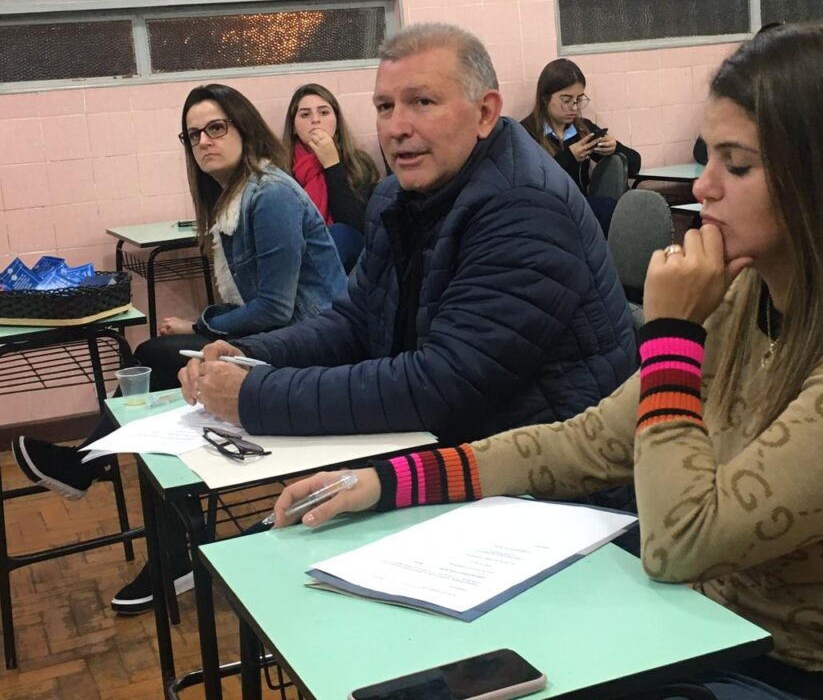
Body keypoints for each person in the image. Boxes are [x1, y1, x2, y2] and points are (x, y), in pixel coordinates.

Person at [274, 26, 823, 700]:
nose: (703, 187)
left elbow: (681, 543)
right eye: (710, 158)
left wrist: (674, 333)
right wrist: (389, 481)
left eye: (737, 165)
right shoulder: (751, 294)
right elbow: (588, 440)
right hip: (715, 634)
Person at [180, 23, 636, 448]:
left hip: (550, 473)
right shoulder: (396, 196)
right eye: (385, 107)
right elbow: (356, 321)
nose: (397, 127)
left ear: (485, 112)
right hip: (462, 447)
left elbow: (446, 382)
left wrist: (255, 395)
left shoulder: (527, 207)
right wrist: (251, 354)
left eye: (422, 102)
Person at [14, 83, 346, 613]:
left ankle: (100, 476)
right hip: (283, 338)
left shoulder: (270, 194)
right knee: (168, 378)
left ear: (243, 129)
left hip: (319, 346)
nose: (204, 141)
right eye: (193, 135)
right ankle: (163, 537)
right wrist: (207, 330)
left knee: (157, 359)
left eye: (216, 128)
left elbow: (276, 309)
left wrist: (202, 323)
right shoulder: (234, 197)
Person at [283, 83, 380, 270]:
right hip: (301, 260)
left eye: (324, 112)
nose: (315, 120)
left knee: (340, 233)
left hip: (350, 260)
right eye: (305, 115)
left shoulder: (359, 164)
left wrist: (332, 165)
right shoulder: (282, 170)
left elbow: (356, 226)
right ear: (293, 126)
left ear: (336, 121)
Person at [520, 58, 640, 194]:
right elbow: (530, 181)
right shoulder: (525, 133)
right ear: (545, 98)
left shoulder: (583, 129)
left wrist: (614, 148)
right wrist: (570, 157)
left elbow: (635, 165)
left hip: (582, 204)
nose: (574, 107)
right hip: (547, 205)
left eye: (579, 99)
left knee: (612, 203)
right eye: (566, 100)